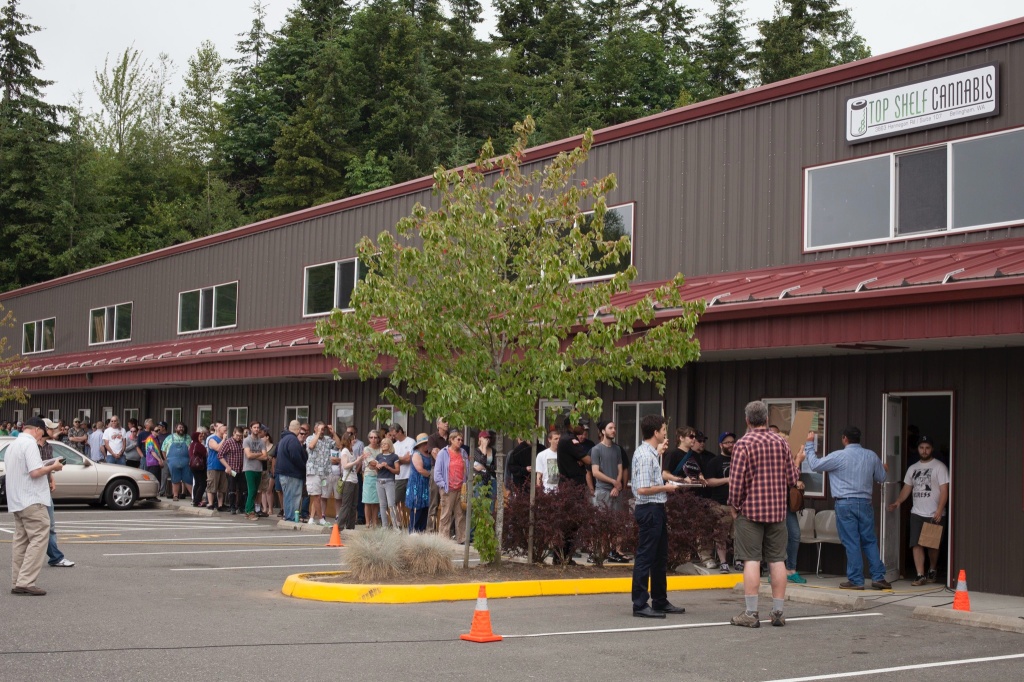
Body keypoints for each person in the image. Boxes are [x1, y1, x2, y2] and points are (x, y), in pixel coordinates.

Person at [729, 401, 800, 628]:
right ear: (767, 419)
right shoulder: (781, 442)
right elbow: (792, 479)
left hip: (750, 511)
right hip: (777, 512)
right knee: (778, 560)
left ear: (747, 420)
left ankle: (751, 613)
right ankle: (778, 612)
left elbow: (736, 481)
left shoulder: (743, 444)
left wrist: (734, 504)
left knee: (752, 559)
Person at [804, 426, 891, 591]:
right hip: (865, 502)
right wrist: (884, 468)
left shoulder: (838, 456)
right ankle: (878, 577)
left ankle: (857, 580)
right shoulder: (871, 455)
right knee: (869, 541)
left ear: (844, 438)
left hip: (845, 503)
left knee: (852, 542)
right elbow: (881, 477)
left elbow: (814, 465)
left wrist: (809, 444)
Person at [630, 413, 687, 618]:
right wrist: (667, 488)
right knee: (646, 556)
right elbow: (643, 489)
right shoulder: (645, 455)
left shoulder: (650, 453)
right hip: (650, 509)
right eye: (663, 430)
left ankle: (660, 600)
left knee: (659, 557)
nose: (665, 433)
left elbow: (652, 478)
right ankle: (639, 604)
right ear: (655, 432)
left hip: (657, 509)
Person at [7, 417, 64, 595]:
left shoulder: (12, 445)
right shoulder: (30, 444)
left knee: (21, 540)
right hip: (32, 498)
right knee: (40, 537)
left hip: (17, 499)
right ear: (38, 430)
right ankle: (26, 581)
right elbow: (35, 472)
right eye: (42, 431)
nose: (42, 435)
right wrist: (53, 467)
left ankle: (17, 580)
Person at [887, 435, 949, 586]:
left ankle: (932, 569)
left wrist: (939, 510)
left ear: (932, 449)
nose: (924, 450)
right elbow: (907, 488)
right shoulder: (913, 468)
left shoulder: (940, 467)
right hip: (917, 512)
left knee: (931, 544)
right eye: (922, 448)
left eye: (927, 448)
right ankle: (920, 574)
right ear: (918, 449)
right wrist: (898, 501)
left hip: (934, 513)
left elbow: (944, 490)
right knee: (916, 543)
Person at [591, 420, 627, 563]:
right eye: (610, 428)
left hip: (615, 491)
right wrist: (613, 482)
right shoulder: (596, 449)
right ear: (603, 431)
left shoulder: (617, 449)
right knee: (601, 523)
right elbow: (595, 472)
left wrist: (617, 486)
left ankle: (615, 551)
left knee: (618, 523)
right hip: (602, 491)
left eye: (615, 428)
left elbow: (620, 469)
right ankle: (601, 552)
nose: (613, 430)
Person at [40, 419, 74, 568]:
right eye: (51, 428)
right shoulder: (31, 447)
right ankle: (54, 557)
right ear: (42, 430)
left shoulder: (48, 447)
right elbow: (35, 469)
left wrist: (51, 478)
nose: (54, 430)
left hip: (45, 489)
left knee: (50, 526)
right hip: (34, 491)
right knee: (37, 527)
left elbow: (47, 466)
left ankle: (55, 557)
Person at [433, 430, 468, 544]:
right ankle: (443, 539)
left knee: (460, 514)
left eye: (462, 440)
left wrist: (466, 484)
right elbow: (437, 472)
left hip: (460, 488)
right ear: (451, 440)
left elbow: (466, 469)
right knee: (446, 514)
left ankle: (461, 538)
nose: (460, 442)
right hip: (448, 488)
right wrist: (443, 485)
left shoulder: (463, 453)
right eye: (458, 439)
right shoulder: (443, 453)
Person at [785, 441, 808, 583]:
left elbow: (791, 478)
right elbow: (787, 478)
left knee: (794, 535)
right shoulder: (777, 459)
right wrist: (798, 461)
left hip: (787, 505)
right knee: (776, 537)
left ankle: (791, 569)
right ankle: (775, 571)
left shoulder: (789, 461)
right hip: (774, 504)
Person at [305, 422, 335, 526]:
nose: (322, 431)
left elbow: (339, 445)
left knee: (320, 495)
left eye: (323, 429)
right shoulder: (310, 438)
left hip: (325, 472)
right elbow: (311, 446)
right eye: (320, 429)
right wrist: (317, 433)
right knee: (316, 495)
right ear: (315, 429)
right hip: (313, 471)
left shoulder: (327, 439)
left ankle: (312, 517)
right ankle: (321, 519)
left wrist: (333, 433)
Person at [277, 420, 306, 522]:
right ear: (298, 429)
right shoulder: (293, 440)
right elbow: (295, 457)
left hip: (283, 473)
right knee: (293, 496)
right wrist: (304, 467)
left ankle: (288, 515)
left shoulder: (283, 439)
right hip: (292, 473)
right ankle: (291, 517)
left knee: (288, 496)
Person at [406, 434, 434, 533]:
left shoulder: (429, 454)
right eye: (425, 443)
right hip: (417, 484)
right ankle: (413, 531)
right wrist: (432, 475)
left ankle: (421, 531)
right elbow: (420, 470)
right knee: (417, 508)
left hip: (426, 484)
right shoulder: (416, 454)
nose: (427, 445)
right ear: (420, 445)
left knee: (425, 508)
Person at [390, 424, 416, 527]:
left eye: (394, 434)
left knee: (410, 501)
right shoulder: (394, 445)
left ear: (400, 431)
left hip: (409, 476)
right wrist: (402, 459)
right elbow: (393, 462)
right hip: (399, 477)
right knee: (398, 501)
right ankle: (400, 523)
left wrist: (398, 459)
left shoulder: (411, 442)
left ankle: (411, 523)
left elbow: (410, 459)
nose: (393, 437)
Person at [426, 418, 449, 531]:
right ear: (438, 424)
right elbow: (434, 453)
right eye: (444, 422)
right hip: (437, 470)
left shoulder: (451, 437)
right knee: (434, 502)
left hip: (450, 472)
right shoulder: (432, 438)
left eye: (448, 421)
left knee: (448, 502)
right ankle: (430, 530)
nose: (447, 423)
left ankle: (446, 531)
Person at [243, 421, 269, 520]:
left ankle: (247, 510)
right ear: (251, 428)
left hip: (259, 469)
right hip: (249, 468)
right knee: (252, 490)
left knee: (256, 491)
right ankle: (250, 511)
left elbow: (265, 456)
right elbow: (248, 455)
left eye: (258, 428)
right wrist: (259, 453)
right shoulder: (246, 440)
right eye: (254, 427)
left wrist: (255, 454)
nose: (256, 429)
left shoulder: (261, 441)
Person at [162, 422, 193, 501]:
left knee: (188, 478)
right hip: (173, 461)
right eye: (179, 427)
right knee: (175, 479)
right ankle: (175, 496)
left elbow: (191, 449)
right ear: (176, 429)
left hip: (186, 460)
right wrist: (166, 460)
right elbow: (163, 450)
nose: (181, 429)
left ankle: (193, 496)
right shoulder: (169, 438)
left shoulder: (188, 437)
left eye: (182, 427)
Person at [219, 426, 246, 514]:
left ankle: (241, 506)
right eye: (237, 435)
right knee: (232, 489)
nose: (239, 437)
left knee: (242, 489)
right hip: (232, 470)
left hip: (241, 469)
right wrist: (227, 466)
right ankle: (232, 507)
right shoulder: (228, 442)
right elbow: (220, 455)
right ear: (233, 433)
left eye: (240, 436)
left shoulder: (242, 442)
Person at [335, 433, 360, 529]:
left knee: (353, 505)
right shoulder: (345, 451)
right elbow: (345, 465)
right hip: (348, 480)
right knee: (346, 504)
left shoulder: (351, 451)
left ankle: (350, 526)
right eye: (353, 439)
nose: (354, 441)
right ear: (348, 440)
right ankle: (339, 526)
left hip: (354, 480)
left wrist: (359, 460)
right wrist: (357, 461)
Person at [375, 436, 401, 528]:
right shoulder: (378, 456)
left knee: (391, 504)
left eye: (385, 443)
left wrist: (388, 467)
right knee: (382, 504)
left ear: (389, 445)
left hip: (389, 481)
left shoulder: (394, 456)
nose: (383, 445)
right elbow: (376, 471)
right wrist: (377, 466)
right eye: (381, 444)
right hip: (379, 481)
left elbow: (397, 471)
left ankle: (395, 526)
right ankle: (384, 526)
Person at [362, 430, 383, 528]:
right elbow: (371, 462)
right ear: (368, 438)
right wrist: (378, 464)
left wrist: (377, 464)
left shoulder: (381, 449)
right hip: (369, 475)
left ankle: (374, 522)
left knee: (376, 501)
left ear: (378, 438)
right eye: (371, 437)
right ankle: (367, 522)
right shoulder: (366, 448)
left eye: (375, 437)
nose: (373, 439)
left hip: (379, 476)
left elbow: (384, 460)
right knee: (367, 500)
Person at [205, 422, 228, 511]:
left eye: (226, 429)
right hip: (213, 466)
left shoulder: (226, 439)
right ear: (218, 429)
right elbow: (217, 448)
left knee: (222, 487)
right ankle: (210, 503)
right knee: (212, 486)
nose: (225, 430)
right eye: (224, 429)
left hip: (223, 466)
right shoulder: (212, 439)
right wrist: (223, 439)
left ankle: (220, 505)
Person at [189, 428, 209, 507]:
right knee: (203, 483)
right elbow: (205, 453)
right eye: (200, 437)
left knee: (197, 483)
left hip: (192, 466)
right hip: (199, 466)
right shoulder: (198, 445)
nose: (202, 438)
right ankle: (197, 500)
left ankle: (195, 500)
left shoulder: (192, 444)